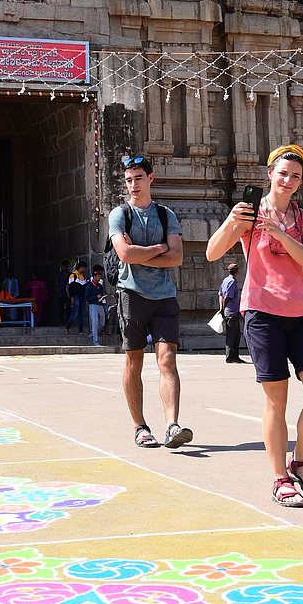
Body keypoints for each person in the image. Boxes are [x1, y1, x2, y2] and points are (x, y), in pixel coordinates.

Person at [206, 143, 303, 508]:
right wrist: (233, 222)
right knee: (277, 399)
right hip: (262, 313)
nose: (288, 180)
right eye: (283, 173)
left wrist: (280, 233)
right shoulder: (250, 214)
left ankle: (301, 461)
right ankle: (280, 478)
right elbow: (213, 252)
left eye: (296, 176)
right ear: (269, 175)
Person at [109, 154, 191, 450]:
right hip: (131, 294)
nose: (133, 185)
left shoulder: (165, 214)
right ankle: (140, 426)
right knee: (134, 360)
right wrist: (159, 249)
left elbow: (178, 257)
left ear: (151, 178)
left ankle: (172, 425)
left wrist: (141, 251)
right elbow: (125, 255)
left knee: (167, 359)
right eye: (129, 180)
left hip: (165, 295)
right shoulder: (119, 214)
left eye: (138, 178)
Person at [218, 259, 243, 364]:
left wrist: (221, 308)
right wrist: (223, 308)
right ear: (237, 272)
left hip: (229, 311)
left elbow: (220, 294)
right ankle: (231, 357)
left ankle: (234, 356)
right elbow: (227, 297)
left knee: (234, 335)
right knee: (233, 335)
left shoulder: (225, 280)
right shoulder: (232, 282)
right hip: (232, 312)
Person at [85, 266, 108, 348]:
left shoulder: (100, 286)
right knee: (94, 323)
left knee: (102, 322)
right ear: (94, 276)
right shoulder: (89, 286)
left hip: (100, 304)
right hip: (93, 305)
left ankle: (93, 333)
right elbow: (87, 297)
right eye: (98, 276)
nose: (99, 278)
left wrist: (102, 297)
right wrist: (96, 297)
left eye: (100, 276)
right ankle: (95, 341)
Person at [66, 263, 88, 332]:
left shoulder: (83, 276)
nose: (84, 269)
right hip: (76, 296)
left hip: (82, 296)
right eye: (84, 268)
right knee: (75, 312)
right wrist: (72, 297)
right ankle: (68, 325)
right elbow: (70, 288)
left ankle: (80, 330)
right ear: (80, 267)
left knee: (81, 313)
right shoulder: (73, 275)